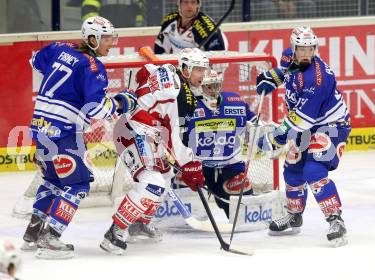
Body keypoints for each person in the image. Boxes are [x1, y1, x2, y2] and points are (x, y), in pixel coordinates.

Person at [20, 16, 137, 259]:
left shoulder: (59, 48)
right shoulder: (92, 65)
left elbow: (34, 61)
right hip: (64, 132)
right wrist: (121, 102)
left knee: (53, 180)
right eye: (105, 38)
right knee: (77, 184)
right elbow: (96, 109)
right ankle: (50, 237)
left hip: (41, 128)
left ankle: (32, 233)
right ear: (92, 38)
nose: (110, 43)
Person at [100, 48, 208, 255]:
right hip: (132, 132)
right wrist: (190, 166)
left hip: (146, 132)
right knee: (153, 184)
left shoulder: (167, 69)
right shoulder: (181, 97)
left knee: (166, 176)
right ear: (185, 69)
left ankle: (139, 223)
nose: (202, 75)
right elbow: (177, 137)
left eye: (204, 69)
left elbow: (144, 71)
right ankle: (115, 231)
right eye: (198, 70)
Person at [255, 26, 350, 247]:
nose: (306, 53)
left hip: (331, 126)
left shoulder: (317, 79)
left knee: (314, 170)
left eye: (310, 49)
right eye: (302, 48)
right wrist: (272, 78)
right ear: (294, 48)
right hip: (307, 126)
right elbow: (285, 71)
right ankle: (294, 215)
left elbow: (302, 120)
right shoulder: (291, 58)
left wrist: (275, 137)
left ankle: (336, 220)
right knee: (293, 167)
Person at [184, 70, 257, 218]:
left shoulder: (235, 101)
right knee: (182, 184)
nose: (213, 91)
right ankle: (182, 220)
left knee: (239, 192)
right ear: (201, 87)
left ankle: (248, 218)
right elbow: (179, 135)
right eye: (208, 87)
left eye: (216, 86)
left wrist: (263, 132)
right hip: (202, 167)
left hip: (232, 165)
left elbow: (254, 122)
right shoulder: (190, 106)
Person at [154, 0, 228, 54]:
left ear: (198, 5)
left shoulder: (207, 27)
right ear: (179, 4)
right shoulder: (169, 20)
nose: (189, 6)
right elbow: (160, 48)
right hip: (175, 71)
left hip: (199, 73)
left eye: (193, 2)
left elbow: (219, 59)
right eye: (186, 2)